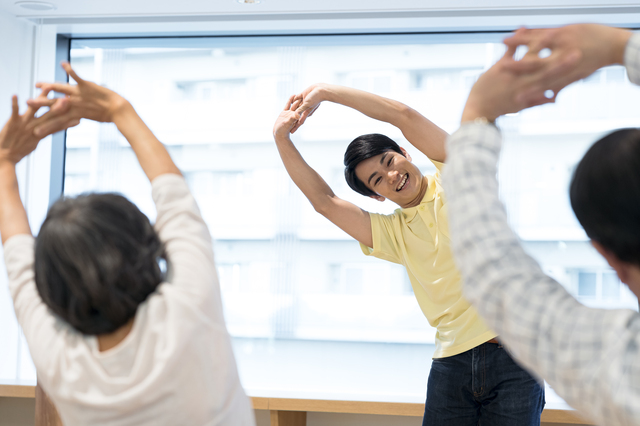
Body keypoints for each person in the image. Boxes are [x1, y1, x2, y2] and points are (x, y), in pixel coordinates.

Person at [272, 84, 544, 425]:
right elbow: (324, 202)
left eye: (390, 161)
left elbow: (401, 115)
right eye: (377, 180)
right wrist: (281, 139)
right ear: (376, 196)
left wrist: (327, 92)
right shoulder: (393, 234)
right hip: (451, 363)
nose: (392, 176)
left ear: (405, 152)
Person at [0, 63, 255, 426]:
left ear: (47, 286)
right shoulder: (188, 308)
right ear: (150, 245)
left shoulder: (56, 357)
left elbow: (17, 255)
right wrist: (118, 110)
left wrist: (4, 160)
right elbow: (174, 195)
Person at [443, 24, 640, 426]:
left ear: (605, 254)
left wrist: (477, 113)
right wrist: (620, 46)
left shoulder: (623, 369)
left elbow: (496, 274)